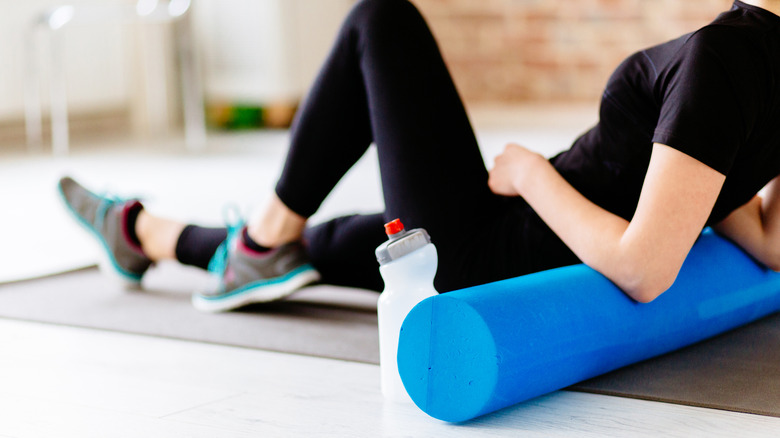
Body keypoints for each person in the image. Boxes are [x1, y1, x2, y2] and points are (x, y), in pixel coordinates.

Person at [60, 0, 780, 313]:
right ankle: (142, 233)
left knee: (382, 20)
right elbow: (775, 243)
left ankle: (259, 236)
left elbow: (644, 270)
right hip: (514, 236)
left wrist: (530, 174)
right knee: (337, 242)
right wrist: (705, 191)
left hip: (493, 246)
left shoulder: (723, 57)